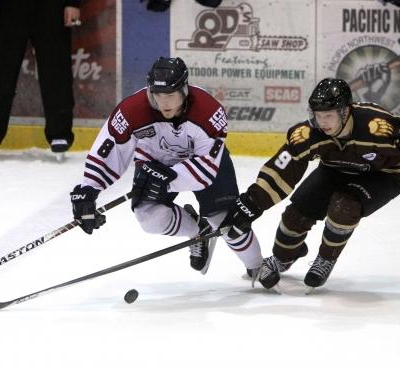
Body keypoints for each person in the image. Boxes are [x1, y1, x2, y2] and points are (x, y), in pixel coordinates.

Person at [223, 78, 400, 291]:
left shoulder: (377, 126)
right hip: (335, 171)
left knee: (344, 206)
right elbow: (282, 170)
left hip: (383, 175)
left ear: (345, 112)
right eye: (318, 115)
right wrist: (253, 202)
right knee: (295, 215)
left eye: (329, 115)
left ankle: (326, 258)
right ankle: (282, 258)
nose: (323, 122)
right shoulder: (308, 135)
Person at [70, 57, 263, 276]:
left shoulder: (208, 111)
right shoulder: (132, 110)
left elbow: (207, 169)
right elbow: (110, 148)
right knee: (149, 218)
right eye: (158, 95)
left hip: (202, 163)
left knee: (226, 221)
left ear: (184, 90)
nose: (164, 103)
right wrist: (88, 189)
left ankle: (257, 266)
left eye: (170, 95)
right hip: (155, 161)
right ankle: (197, 230)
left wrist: (168, 181)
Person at [0, 0, 81, 160]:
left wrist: (72, 2)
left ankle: (60, 133)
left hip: (52, 7)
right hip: (6, 8)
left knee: (56, 70)